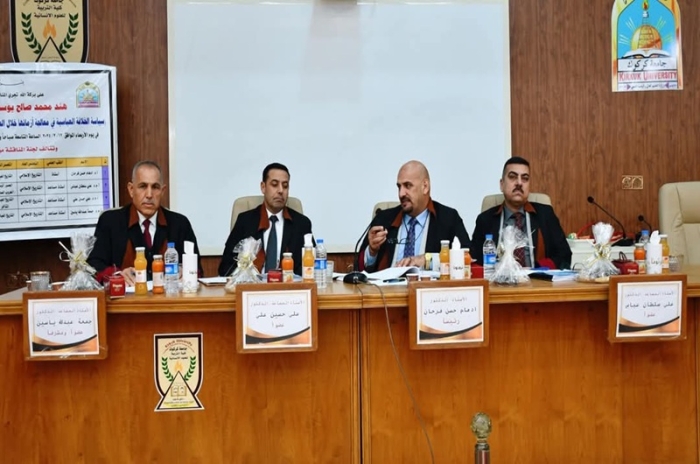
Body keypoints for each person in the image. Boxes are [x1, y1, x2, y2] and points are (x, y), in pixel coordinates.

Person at [88, 160, 202, 285]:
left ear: (163, 191)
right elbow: (93, 266)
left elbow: (198, 270)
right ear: (131, 189)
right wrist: (117, 275)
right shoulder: (110, 221)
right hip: (125, 295)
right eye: (143, 186)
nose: (149, 194)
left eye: (155, 187)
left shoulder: (180, 224)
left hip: (168, 296)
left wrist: (185, 272)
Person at [359, 160, 470, 272]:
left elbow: (468, 257)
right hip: (388, 283)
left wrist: (428, 260)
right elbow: (359, 268)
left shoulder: (448, 218)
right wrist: (372, 252)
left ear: (425, 187)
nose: (401, 193)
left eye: (408, 186)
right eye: (399, 187)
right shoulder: (383, 219)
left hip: (427, 283)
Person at [471, 156, 571, 269]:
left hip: (537, 279)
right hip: (497, 279)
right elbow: (475, 260)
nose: (519, 183)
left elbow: (564, 255)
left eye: (525, 178)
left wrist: (539, 269)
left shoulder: (545, 214)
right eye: (512, 177)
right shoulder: (485, 219)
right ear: (502, 185)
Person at [218, 162, 313, 276]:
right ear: (263, 187)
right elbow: (225, 268)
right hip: (253, 285)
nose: (280, 190)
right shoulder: (245, 221)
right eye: (274, 184)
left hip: (287, 285)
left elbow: (311, 267)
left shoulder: (301, 224)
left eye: (285, 186)